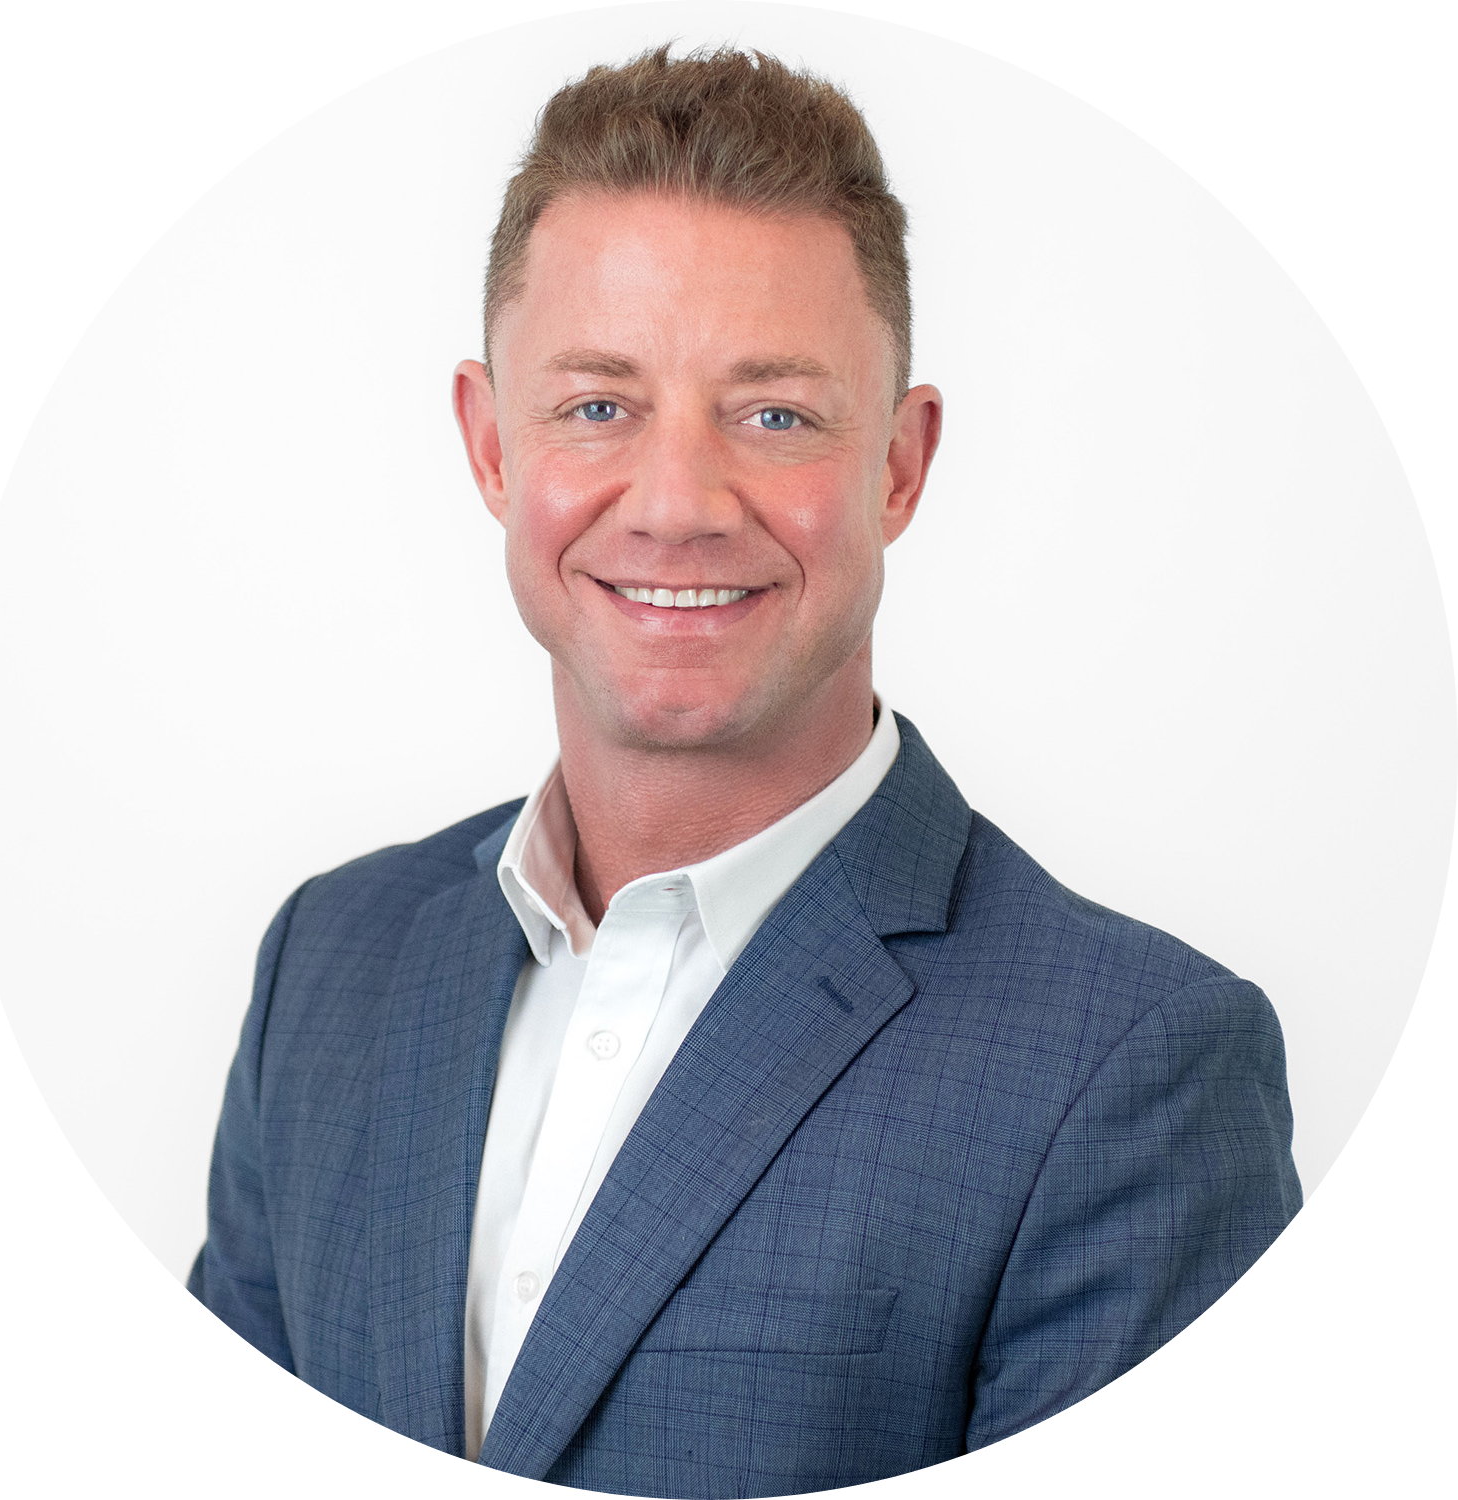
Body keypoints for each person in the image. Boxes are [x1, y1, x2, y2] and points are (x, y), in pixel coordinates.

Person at [189, 46, 1300, 1492]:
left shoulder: (1132, 1073)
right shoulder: (330, 967)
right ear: (491, 446)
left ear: (898, 466)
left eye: (774, 414)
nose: (677, 504)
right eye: (598, 405)